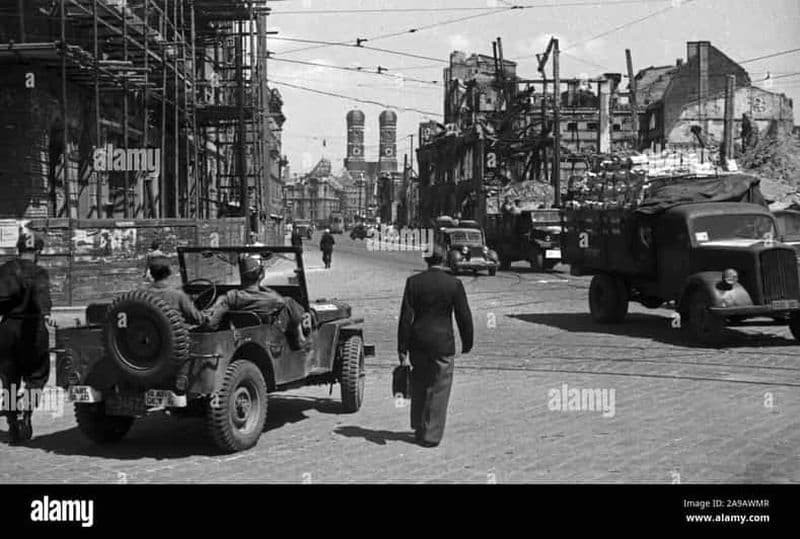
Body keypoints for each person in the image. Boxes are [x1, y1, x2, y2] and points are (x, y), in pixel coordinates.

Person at [397, 251, 473, 447]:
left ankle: (419, 427)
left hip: (419, 343)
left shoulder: (413, 282)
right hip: (442, 344)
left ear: (426, 259)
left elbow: (405, 317)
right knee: (439, 389)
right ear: (444, 260)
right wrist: (467, 341)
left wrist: (402, 347)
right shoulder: (453, 284)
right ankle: (431, 435)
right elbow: (463, 315)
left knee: (420, 384)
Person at [0, 229, 52, 443]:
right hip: (33, 328)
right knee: (36, 376)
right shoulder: (39, 273)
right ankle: (26, 417)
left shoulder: (5, 270)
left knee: (10, 380)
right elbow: (42, 298)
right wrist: (47, 314)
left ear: (18, 249)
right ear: (37, 251)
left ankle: (12, 422)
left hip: (8, 327)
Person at [205, 255, 308, 348]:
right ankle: (300, 338)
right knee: (290, 303)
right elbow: (282, 303)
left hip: (241, 337)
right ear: (261, 275)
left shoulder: (231, 297)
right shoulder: (273, 299)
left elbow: (213, 320)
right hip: (270, 339)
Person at [143, 256, 208, 326]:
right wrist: (205, 315)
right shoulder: (178, 296)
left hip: (150, 334)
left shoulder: (142, 295)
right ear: (169, 271)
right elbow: (197, 319)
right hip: (177, 335)